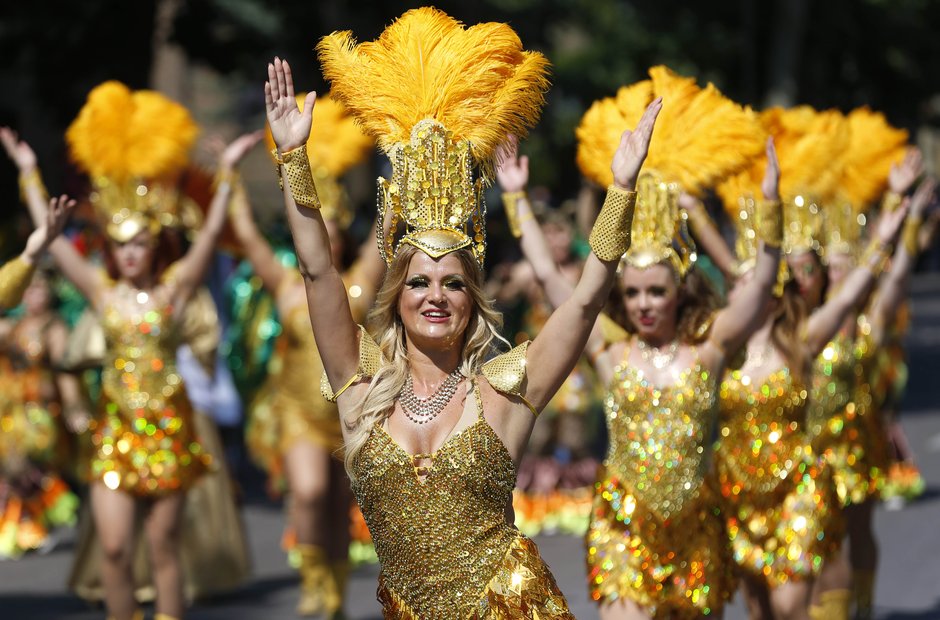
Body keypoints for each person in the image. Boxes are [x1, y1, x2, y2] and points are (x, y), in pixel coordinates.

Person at [266, 6, 659, 616]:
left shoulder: (504, 392)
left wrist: (622, 192)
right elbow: (318, 272)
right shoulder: (359, 389)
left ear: (471, 301)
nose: (435, 296)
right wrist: (293, 159)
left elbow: (583, 303)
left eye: (453, 284)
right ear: (397, 295)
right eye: (419, 281)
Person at [504, 66, 772, 619]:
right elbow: (559, 285)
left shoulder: (710, 348)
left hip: (697, 526)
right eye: (633, 292)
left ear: (680, 290)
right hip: (623, 526)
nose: (645, 303)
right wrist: (516, 201)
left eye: (656, 290)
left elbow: (760, 290)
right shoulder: (610, 349)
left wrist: (768, 213)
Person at [1, 80, 258, 620]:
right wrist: (28, 169)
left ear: (153, 244)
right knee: (115, 550)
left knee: (165, 551)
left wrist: (229, 172)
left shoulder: (174, 290)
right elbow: (49, 236)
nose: (132, 253)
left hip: (169, 428)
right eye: (122, 245)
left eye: (140, 243)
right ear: (112, 251)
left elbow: (211, 233)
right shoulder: (101, 291)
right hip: (116, 430)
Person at [680, 104, 910, 620]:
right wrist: (692, 209)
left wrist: (887, 237)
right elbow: (720, 266)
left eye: (754, 279)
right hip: (739, 490)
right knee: (760, 608)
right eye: (738, 280)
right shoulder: (722, 344)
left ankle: (859, 606)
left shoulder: (802, 338)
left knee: (794, 605)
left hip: (799, 488)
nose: (744, 284)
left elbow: (851, 297)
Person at [230, 93, 380, 617]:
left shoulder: (359, 283)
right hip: (297, 411)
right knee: (312, 493)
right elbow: (247, 238)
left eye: (335, 232)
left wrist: (408, 171)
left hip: (348, 414)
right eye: (320, 232)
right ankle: (314, 586)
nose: (328, 240)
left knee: (339, 506)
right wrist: (231, 178)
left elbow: (386, 240)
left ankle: (333, 594)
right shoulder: (290, 287)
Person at [0, 197, 79, 559]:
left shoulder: (54, 328)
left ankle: (35, 525)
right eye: (29, 291)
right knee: (13, 474)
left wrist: (75, 406)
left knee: (31, 472)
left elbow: (64, 371)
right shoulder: (14, 326)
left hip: (38, 412)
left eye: (39, 289)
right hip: (11, 411)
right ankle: (21, 526)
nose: (34, 297)